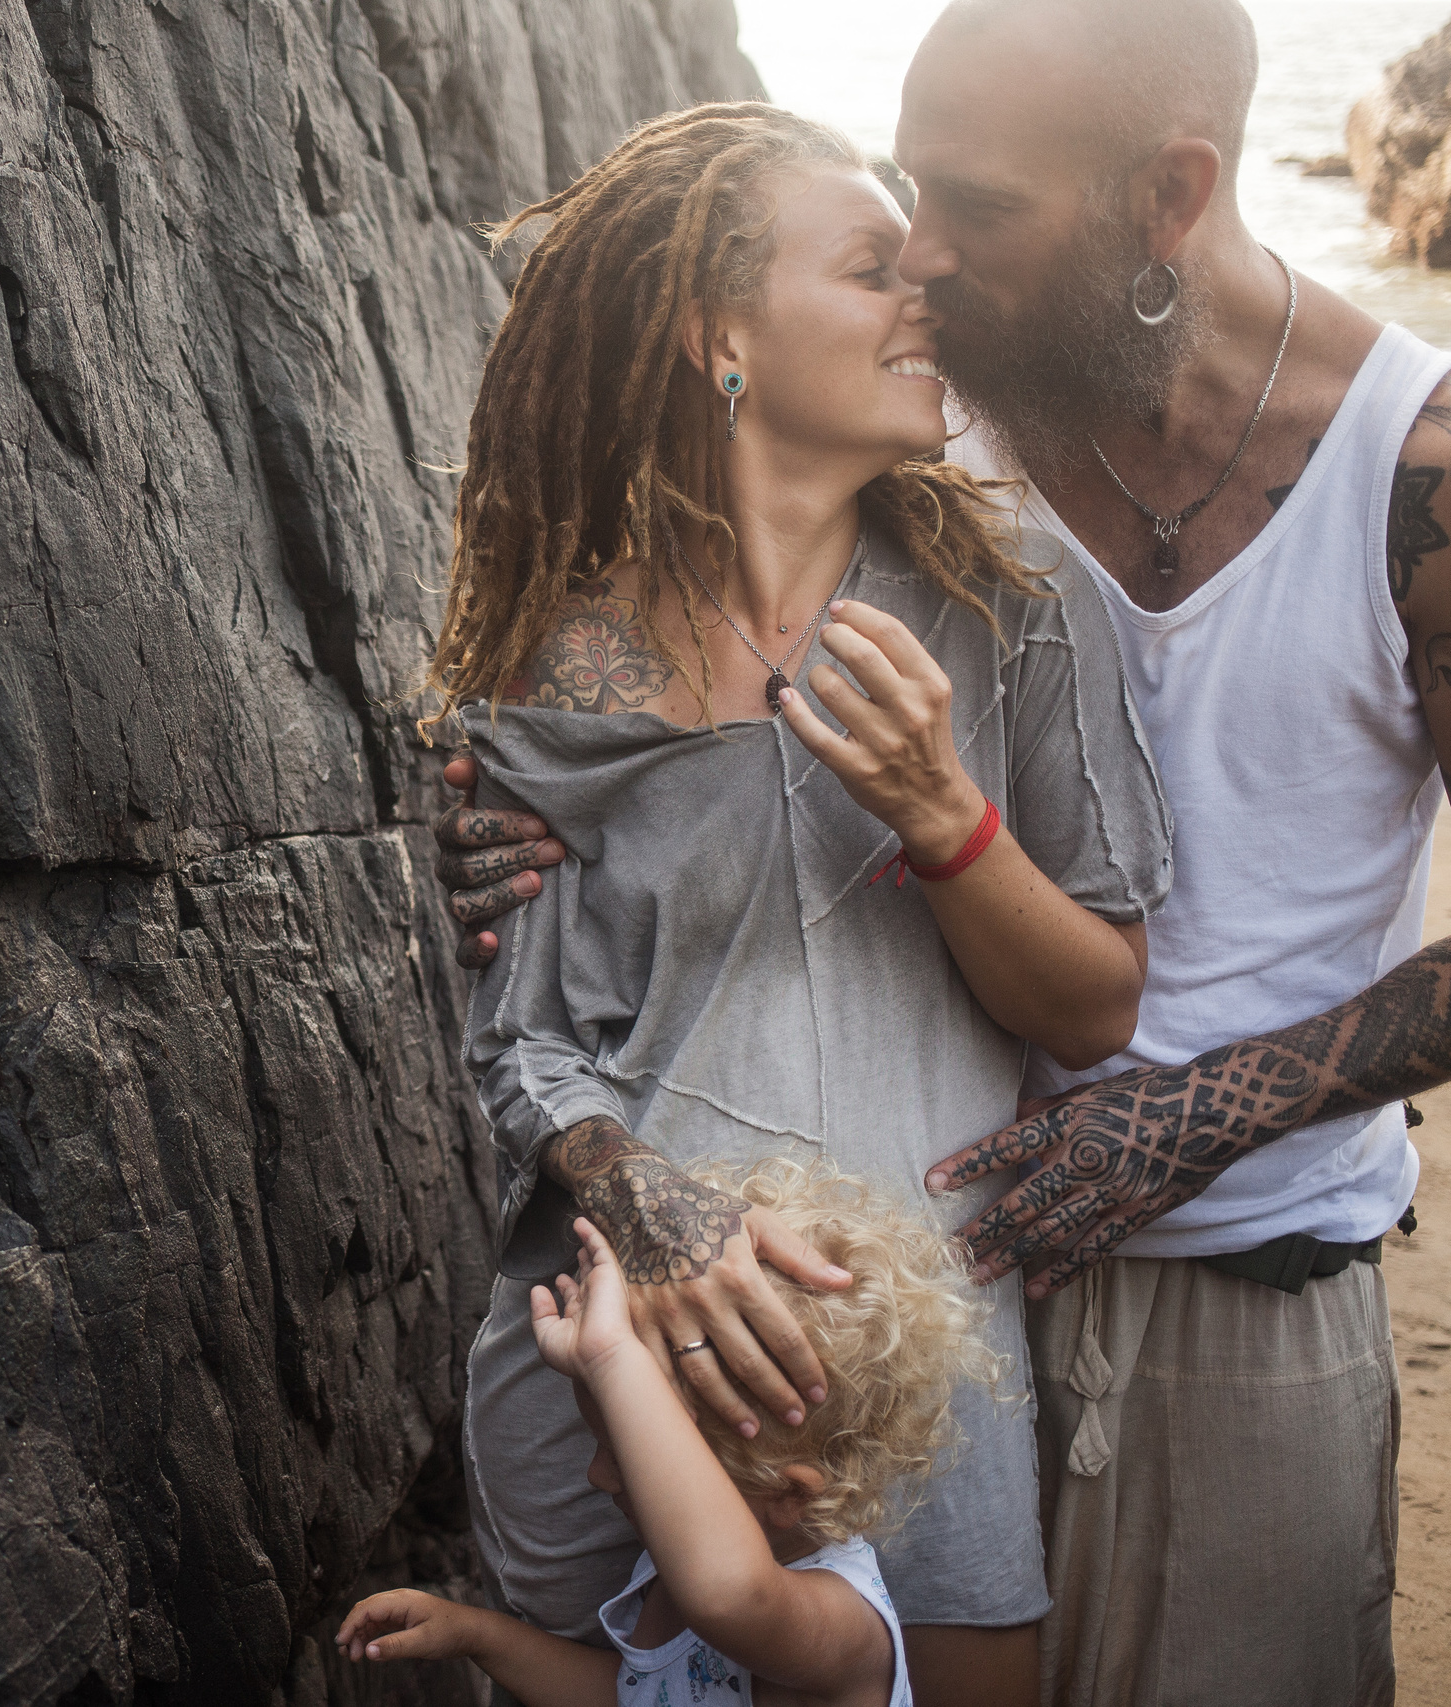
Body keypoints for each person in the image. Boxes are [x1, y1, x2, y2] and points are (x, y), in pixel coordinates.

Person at [435, 3, 1451, 1700]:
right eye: (901, 209)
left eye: (969, 205)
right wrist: (522, 824)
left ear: (1169, 196)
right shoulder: (939, 417)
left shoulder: (1359, 490)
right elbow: (548, 986)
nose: (926, 259)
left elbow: (1089, 973)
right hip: (764, 1308)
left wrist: (1172, 1096)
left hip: (1151, 1294)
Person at [419, 100, 1172, 1707]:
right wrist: (644, 1202)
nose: (928, 293)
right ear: (722, 336)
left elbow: (1098, 1002)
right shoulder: (568, 662)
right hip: (621, 1364)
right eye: (872, 267)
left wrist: (941, 810)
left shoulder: (1019, 610)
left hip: (914, 1372)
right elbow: (523, 1040)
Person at [339, 1161, 996, 1707]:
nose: (598, 1474)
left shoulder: (844, 1628)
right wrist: (476, 1635)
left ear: (788, 1494)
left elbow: (729, 1596)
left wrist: (613, 1357)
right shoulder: (670, 1566)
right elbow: (636, 1694)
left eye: (626, 1451)